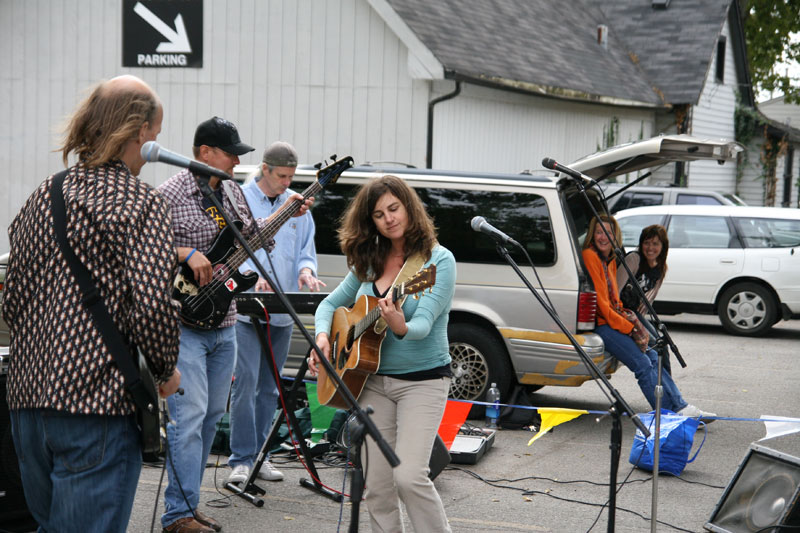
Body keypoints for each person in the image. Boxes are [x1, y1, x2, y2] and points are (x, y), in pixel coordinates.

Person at [2, 75, 182, 533]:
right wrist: (164, 370)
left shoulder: (40, 197)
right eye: (155, 137)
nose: (152, 149)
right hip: (95, 403)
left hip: (27, 405)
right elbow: (152, 304)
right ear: (139, 131)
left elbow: (12, 303)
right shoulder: (139, 202)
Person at [157, 118, 312, 533]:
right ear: (204, 152)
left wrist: (286, 213)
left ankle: (187, 505)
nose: (236, 160)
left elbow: (250, 237)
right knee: (187, 418)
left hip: (224, 319)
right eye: (230, 153)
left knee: (209, 417)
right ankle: (177, 514)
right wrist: (185, 251)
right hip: (184, 321)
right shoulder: (170, 193)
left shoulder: (231, 192)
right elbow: (143, 246)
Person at [309, 175, 456, 532]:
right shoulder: (370, 260)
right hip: (373, 384)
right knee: (376, 486)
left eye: (394, 208)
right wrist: (324, 337)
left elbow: (423, 324)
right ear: (370, 221)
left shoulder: (437, 262)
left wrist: (400, 325)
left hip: (423, 382)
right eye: (378, 214)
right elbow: (329, 304)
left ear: (409, 207)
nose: (389, 218)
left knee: (408, 477)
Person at [227, 141, 325, 485]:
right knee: (246, 384)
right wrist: (251, 278)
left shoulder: (298, 207)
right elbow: (230, 247)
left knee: (271, 389)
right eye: (282, 175)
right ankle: (240, 459)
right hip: (244, 311)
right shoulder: (239, 198)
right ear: (264, 169)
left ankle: (262, 456)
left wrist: (306, 272)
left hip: (282, 312)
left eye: (291, 176)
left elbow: (305, 252)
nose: (287, 183)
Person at [582, 215, 714, 420]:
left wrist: (630, 322)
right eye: (599, 232)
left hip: (615, 319)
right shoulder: (592, 256)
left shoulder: (608, 259)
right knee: (643, 364)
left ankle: (678, 406)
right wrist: (628, 327)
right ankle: (668, 415)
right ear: (592, 234)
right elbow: (603, 305)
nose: (603, 237)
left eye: (608, 232)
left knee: (654, 354)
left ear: (615, 235)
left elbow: (615, 301)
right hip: (602, 324)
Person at [616, 224, 672, 373]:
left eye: (655, 244)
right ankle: (663, 387)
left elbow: (648, 301)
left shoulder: (660, 268)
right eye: (646, 243)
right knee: (654, 345)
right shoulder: (634, 259)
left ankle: (667, 388)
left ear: (663, 246)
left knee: (662, 345)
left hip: (636, 313)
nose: (650, 248)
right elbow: (615, 291)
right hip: (622, 311)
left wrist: (642, 323)